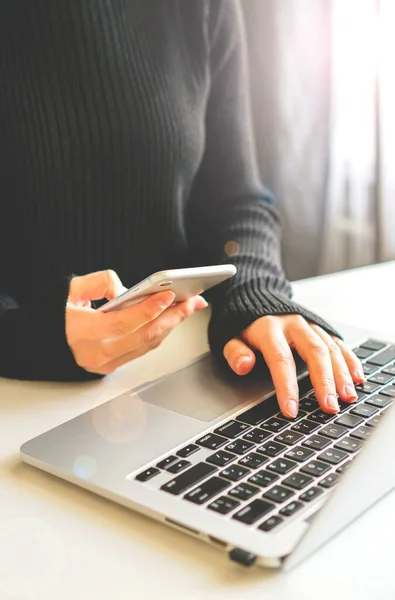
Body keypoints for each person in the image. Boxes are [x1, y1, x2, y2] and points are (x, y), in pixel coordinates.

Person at [0, 0, 363, 418]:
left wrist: (256, 293)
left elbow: (234, 200)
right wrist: (29, 338)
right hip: (21, 402)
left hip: (174, 383)